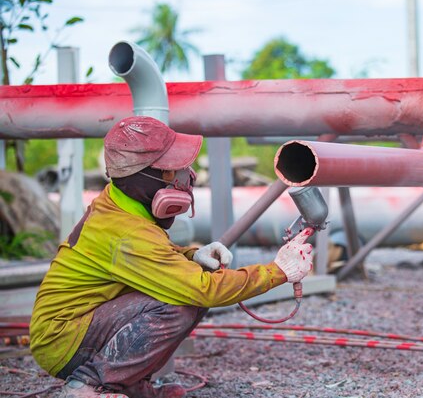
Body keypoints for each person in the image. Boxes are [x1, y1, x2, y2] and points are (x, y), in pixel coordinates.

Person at [29, 116, 315, 398]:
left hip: (74, 327)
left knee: (186, 289)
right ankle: (90, 386)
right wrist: (279, 270)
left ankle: (127, 383)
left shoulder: (119, 203)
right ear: (144, 177)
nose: (186, 176)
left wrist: (192, 256)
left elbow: (147, 259)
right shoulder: (127, 233)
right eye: (174, 169)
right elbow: (204, 290)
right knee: (184, 299)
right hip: (64, 339)